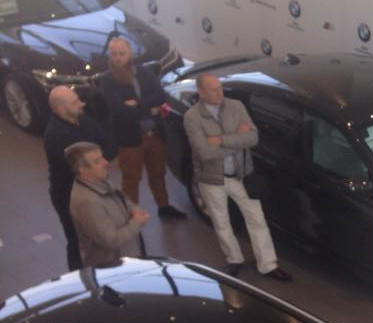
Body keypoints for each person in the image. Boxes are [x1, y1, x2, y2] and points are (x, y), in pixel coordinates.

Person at [183, 73, 291, 281]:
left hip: (241, 176)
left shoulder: (236, 106)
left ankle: (268, 265)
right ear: (201, 92)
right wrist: (236, 140)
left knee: (257, 219)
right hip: (211, 180)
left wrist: (220, 140)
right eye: (214, 90)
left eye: (220, 88)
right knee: (221, 222)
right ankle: (234, 259)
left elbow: (252, 138)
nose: (220, 93)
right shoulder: (192, 117)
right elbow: (203, 152)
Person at [98, 37, 187, 219]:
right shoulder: (107, 80)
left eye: (122, 53)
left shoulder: (145, 72)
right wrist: (148, 108)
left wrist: (136, 104)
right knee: (131, 178)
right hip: (129, 139)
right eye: (114, 54)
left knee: (158, 173)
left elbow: (160, 96)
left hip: (155, 135)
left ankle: (164, 206)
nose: (118, 58)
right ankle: (131, 215)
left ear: (130, 53)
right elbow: (118, 109)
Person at [43, 86, 118, 271]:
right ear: (60, 109)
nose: (81, 103)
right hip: (69, 196)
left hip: (94, 187)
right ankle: (79, 277)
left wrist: (97, 161)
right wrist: (99, 160)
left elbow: (110, 143)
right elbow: (83, 167)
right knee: (77, 240)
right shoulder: (56, 135)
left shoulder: (82, 119)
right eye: (75, 102)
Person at [66, 141, 149, 268]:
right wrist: (137, 222)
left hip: (127, 257)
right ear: (82, 169)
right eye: (97, 161)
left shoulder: (101, 180)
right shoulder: (87, 202)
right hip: (114, 266)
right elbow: (111, 240)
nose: (106, 162)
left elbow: (122, 199)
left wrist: (134, 210)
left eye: (103, 157)